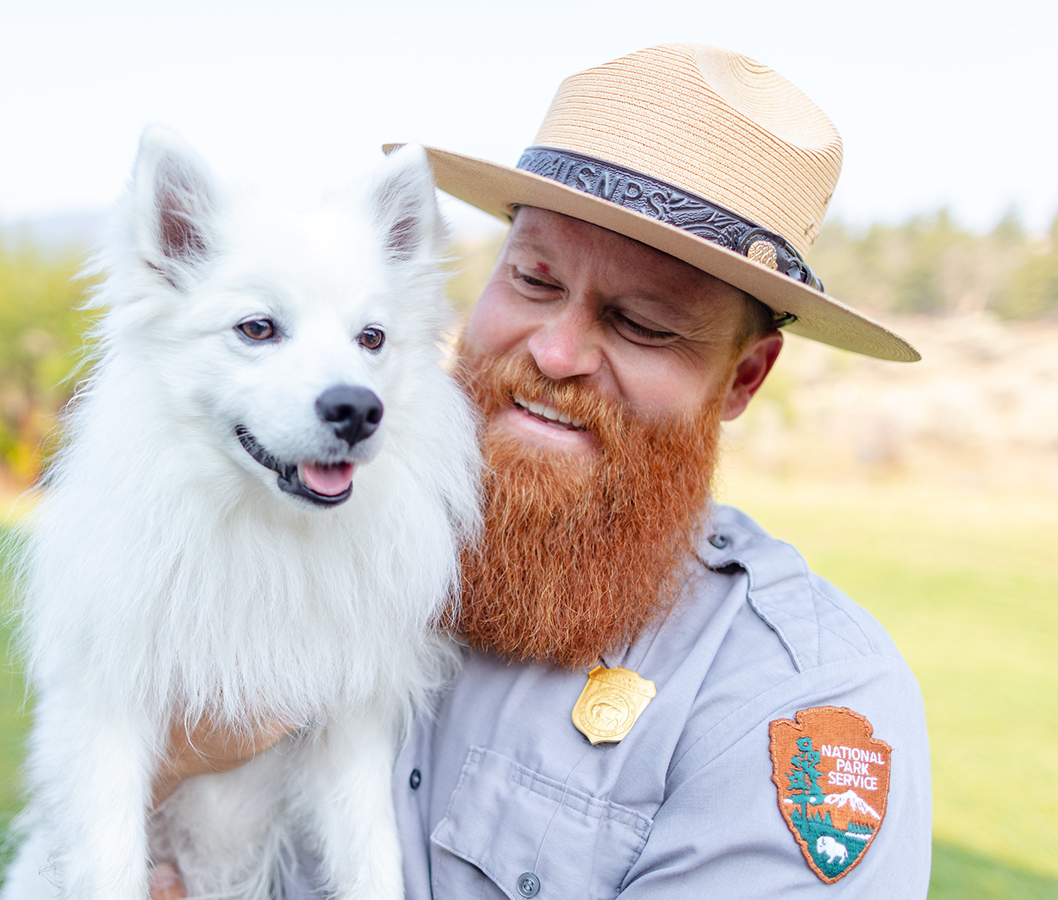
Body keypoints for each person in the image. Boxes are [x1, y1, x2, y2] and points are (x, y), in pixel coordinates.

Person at [151, 44, 931, 898]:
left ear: (743, 378)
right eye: (531, 279)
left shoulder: (791, 699)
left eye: (642, 325)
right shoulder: (304, 522)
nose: (556, 353)